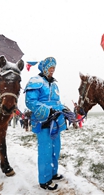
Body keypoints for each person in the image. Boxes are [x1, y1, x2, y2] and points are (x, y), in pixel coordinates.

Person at [24, 57, 67, 191]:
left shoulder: (54, 83)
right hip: (43, 121)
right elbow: (30, 101)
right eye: (50, 68)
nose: (52, 71)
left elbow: (56, 102)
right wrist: (47, 111)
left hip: (56, 121)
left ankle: (53, 173)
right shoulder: (35, 81)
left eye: (54, 68)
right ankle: (44, 179)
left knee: (55, 149)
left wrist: (63, 109)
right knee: (45, 151)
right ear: (44, 68)